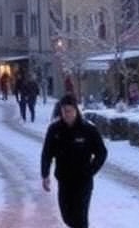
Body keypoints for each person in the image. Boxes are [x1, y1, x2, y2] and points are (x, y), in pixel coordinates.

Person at [41, 95, 108, 228]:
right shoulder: (55, 130)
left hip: (83, 181)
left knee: (80, 217)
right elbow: (47, 153)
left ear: (76, 110)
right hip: (64, 180)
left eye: (69, 110)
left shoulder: (88, 129)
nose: (67, 114)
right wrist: (45, 174)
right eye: (64, 111)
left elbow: (102, 152)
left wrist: (91, 170)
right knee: (67, 216)